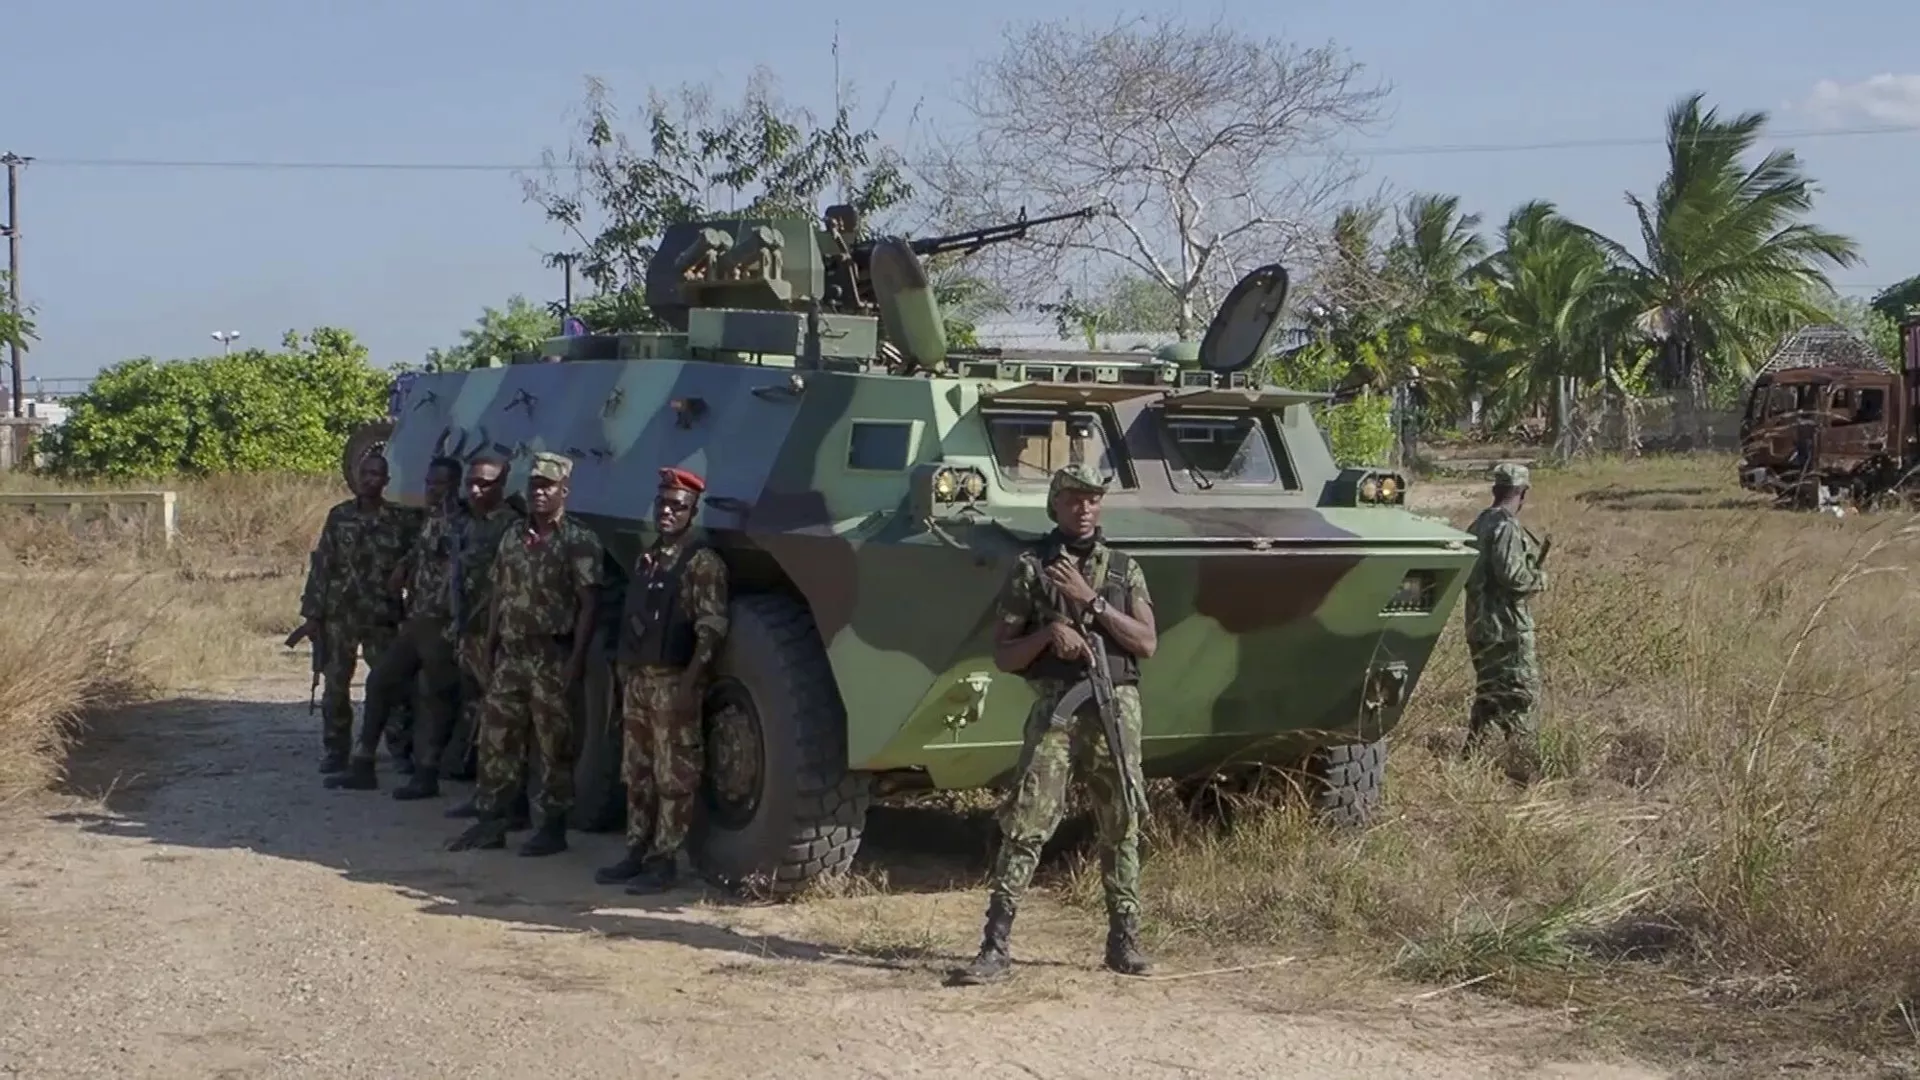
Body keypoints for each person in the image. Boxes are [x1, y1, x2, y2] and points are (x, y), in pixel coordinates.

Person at [951, 463, 1157, 986]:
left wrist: (1092, 604)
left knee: (1122, 822)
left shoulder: (1123, 569)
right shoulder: (1031, 568)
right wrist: (1050, 635)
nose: (1083, 507)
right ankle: (995, 945)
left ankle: (1123, 939)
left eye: (1091, 499)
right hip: (1057, 709)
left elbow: (1147, 643)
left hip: (1114, 707)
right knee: (1026, 822)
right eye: (1073, 499)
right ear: (1056, 505)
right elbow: (1002, 654)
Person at [448, 452, 603, 857]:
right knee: (497, 738)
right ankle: (492, 821)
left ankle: (552, 827)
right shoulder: (513, 536)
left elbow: (589, 604)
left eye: (547, 486)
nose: (538, 492)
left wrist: (576, 660)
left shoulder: (579, 540)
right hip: (512, 654)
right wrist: (492, 640)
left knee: (554, 744)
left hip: (552, 654)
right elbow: (499, 591)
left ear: (564, 491)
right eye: (534, 485)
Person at [595, 467, 730, 894]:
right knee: (636, 771)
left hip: (674, 682)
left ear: (693, 512)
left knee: (674, 777)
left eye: (678, 506)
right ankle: (636, 848)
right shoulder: (648, 556)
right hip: (640, 680)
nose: (668, 512)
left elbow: (710, 630)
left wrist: (690, 685)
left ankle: (664, 860)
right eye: (663, 504)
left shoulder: (701, 563)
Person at [326, 456, 466, 794]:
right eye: (430, 483)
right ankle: (363, 762)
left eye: (440, 484)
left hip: (443, 623)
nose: (433, 490)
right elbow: (418, 551)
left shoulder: (464, 525)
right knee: (380, 683)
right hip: (417, 620)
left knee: (433, 697)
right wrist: (403, 567)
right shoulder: (431, 520)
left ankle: (426, 772)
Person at [293, 453, 421, 775]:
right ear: (356, 476)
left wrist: (405, 572)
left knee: (390, 684)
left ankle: (399, 748)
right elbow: (322, 565)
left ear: (386, 481)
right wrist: (313, 614)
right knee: (335, 686)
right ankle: (337, 750)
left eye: (377, 474)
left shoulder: (401, 520)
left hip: (383, 616)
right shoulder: (339, 516)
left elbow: (423, 550)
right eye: (365, 473)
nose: (369, 480)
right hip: (341, 615)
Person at [1462, 462, 1549, 779]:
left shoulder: (1479, 524)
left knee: (1488, 694)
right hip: (1507, 628)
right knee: (1520, 695)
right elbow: (1513, 576)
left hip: (1478, 625)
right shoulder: (1506, 527)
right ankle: (1523, 769)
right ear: (1521, 492)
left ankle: (1471, 759)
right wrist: (1538, 578)